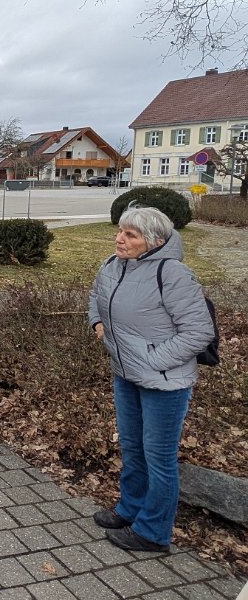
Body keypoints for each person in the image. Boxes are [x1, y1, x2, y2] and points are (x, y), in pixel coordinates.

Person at [87, 205, 214, 553]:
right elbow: (96, 297)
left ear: (155, 241)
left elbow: (199, 331)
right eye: (120, 231)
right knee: (132, 447)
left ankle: (154, 532)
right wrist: (96, 322)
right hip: (125, 375)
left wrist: (153, 360)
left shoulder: (172, 274)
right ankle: (130, 509)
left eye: (131, 234)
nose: (120, 238)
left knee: (159, 457)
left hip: (165, 383)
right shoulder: (113, 265)